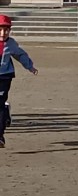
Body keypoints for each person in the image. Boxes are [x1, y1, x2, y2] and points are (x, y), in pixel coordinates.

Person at [0, 14, 38, 148]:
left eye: (6, 30)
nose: (3, 33)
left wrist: (30, 66)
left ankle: (0, 136)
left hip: (4, 76)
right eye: (0, 30)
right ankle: (6, 111)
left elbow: (20, 54)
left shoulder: (10, 43)